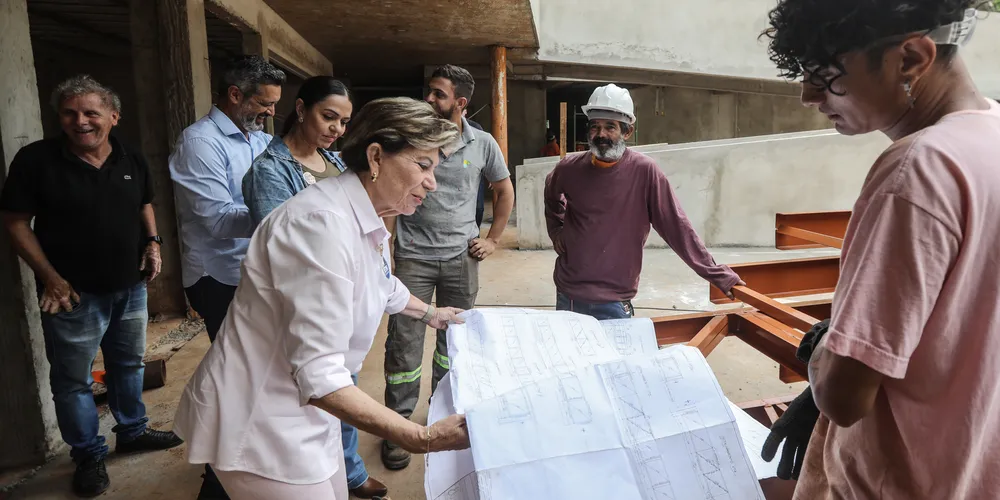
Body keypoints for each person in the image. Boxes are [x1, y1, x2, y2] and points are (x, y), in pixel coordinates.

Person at [173, 97, 470, 500]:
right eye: (423, 165)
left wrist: (430, 312)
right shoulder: (320, 226)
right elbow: (319, 374)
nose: (432, 182)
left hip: (307, 411)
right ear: (377, 156)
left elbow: (381, 283)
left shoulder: (364, 213)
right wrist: (420, 436)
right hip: (262, 421)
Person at [759, 1, 1000, 498]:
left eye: (825, 76)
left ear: (911, 57)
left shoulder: (917, 171)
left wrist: (828, 352)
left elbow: (846, 399)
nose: (808, 96)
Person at [0, 75, 182, 497]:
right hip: (71, 295)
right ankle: (87, 453)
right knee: (73, 380)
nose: (80, 121)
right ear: (59, 117)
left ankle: (133, 430)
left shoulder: (129, 156)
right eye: (69, 112)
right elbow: (13, 222)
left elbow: (144, 203)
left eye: (90, 112)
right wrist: (51, 277)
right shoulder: (36, 161)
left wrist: (153, 243)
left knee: (128, 365)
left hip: (130, 287)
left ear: (112, 117)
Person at [241, 77, 388, 499]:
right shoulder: (269, 171)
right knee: (315, 393)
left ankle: (348, 473)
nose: (336, 130)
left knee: (342, 389)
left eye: (343, 122)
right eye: (328, 117)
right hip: (305, 298)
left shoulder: (337, 163)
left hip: (340, 292)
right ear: (301, 109)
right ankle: (320, 477)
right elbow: (288, 249)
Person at [381, 65, 515, 470]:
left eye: (438, 94)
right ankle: (397, 427)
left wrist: (492, 239)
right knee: (404, 345)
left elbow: (503, 188)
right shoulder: (411, 138)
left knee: (453, 345)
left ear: (460, 103)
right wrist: (387, 246)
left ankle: (441, 421)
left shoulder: (484, 144)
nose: (429, 100)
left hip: (461, 259)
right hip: (413, 257)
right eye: (429, 91)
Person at [168, 55, 285, 500]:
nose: (270, 111)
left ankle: (241, 466)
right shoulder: (200, 143)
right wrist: (285, 214)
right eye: (263, 102)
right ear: (234, 95)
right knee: (238, 376)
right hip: (219, 277)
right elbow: (217, 220)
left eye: (274, 104)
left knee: (256, 373)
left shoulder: (256, 138)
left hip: (251, 270)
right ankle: (218, 481)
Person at [543, 84, 742, 320]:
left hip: (615, 299)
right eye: (595, 126)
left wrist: (716, 274)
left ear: (627, 132)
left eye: (610, 127)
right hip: (570, 294)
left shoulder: (645, 172)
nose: (601, 134)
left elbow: (676, 227)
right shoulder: (569, 168)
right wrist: (557, 231)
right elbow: (551, 194)